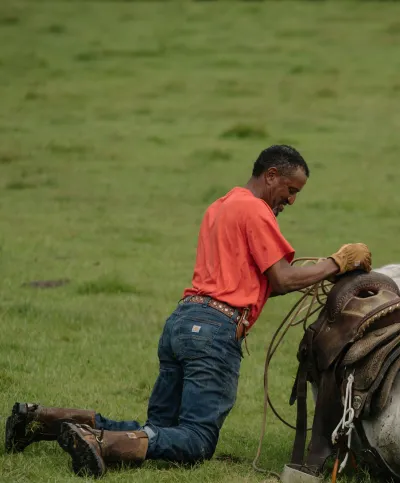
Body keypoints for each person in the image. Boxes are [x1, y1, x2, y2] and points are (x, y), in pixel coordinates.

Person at [4, 144, 372, 478]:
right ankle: (98, 442)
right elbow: (284, 277)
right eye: (291, 190)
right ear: (271, 176)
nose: (291, 200)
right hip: (214, 332)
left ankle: (42, 421)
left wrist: (320, 270)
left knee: (160, 427)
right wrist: (338, 263)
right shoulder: (255, 210)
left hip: (182, 322)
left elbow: (264, 285)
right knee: (196, 441)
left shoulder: (221, 206)